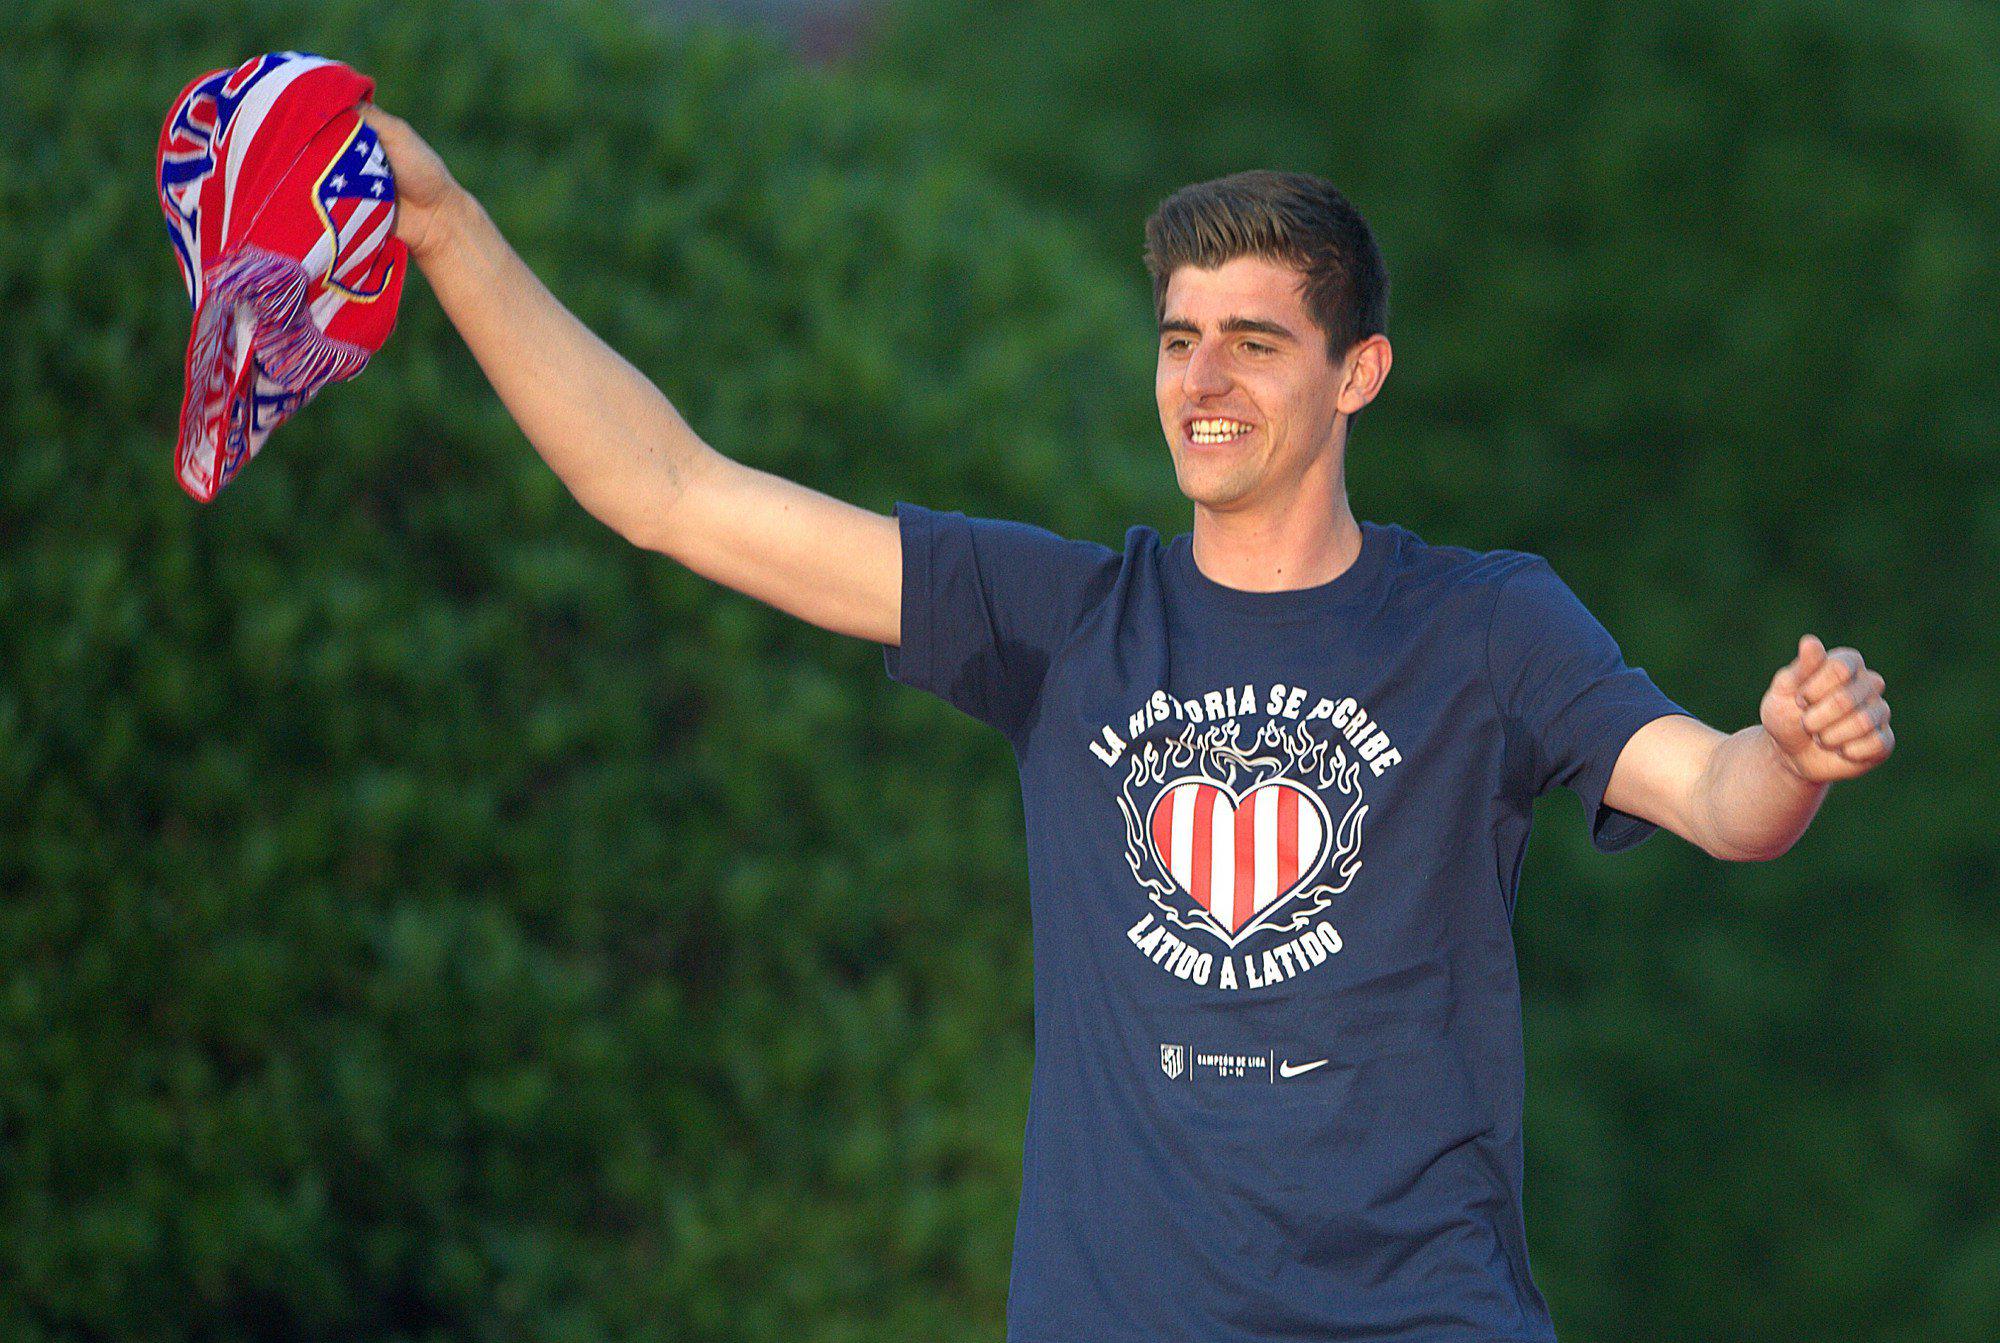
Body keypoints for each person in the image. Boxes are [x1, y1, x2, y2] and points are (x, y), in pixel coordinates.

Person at [359, 102, 1894, 1342]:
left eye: (1254, 340)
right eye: (1178, 337)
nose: (1202, 380)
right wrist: (443, 225)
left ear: (1359, 372)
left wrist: (1794, 755)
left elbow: (1718, 797)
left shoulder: (1481, 626)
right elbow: (671, 492)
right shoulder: (1068, 622)